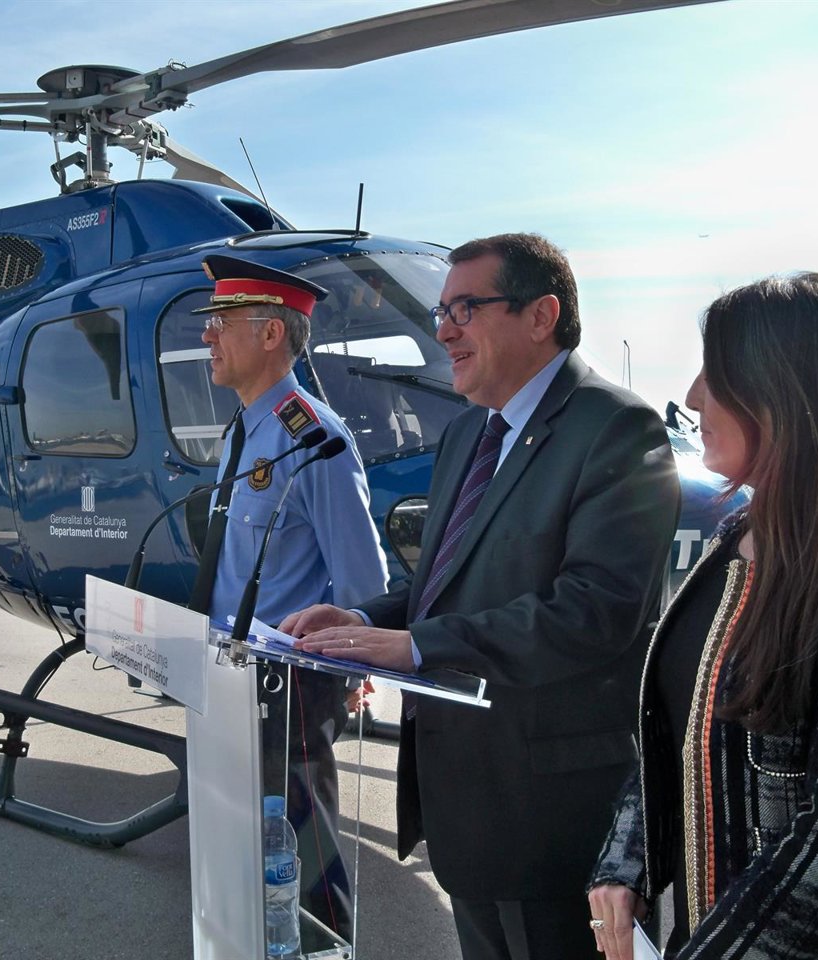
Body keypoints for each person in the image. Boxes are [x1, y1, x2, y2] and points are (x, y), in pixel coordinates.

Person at [281, 233, 681, 959]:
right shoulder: (469, 433)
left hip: (546, 815)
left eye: (465, 308)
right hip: (463, 806)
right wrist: (367, 617)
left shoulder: (616, 428)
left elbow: (596, 611)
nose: (441, 331)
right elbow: (446, 581)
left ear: (541, 315)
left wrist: (419, 646)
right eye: (440, 311)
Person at [588, 273, 818, 959]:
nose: (692, 397)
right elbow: (676, 734)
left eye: (716, 374)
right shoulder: (735, 540)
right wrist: (625, 862)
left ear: (790, 391)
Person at [187, 254, 389, 943]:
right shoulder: (245, 429)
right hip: (229, 671)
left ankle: (330, 952)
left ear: (271, 335)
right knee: (241, 851)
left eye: (221, 323)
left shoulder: (314, 439)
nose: (207, 337)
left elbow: (363, 579)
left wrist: (358, 664)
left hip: (291, 687)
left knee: (306, 860)